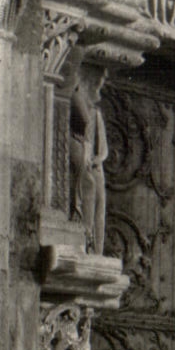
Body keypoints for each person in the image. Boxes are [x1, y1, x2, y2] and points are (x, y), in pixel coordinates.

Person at [69, 65, 108, 254]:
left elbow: (102, 148)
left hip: (93, 163)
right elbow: (83, 123)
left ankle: (93, 247)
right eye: (96, 85)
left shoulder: (95, 113)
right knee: (88, 188)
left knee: (97, 200)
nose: (98, 93)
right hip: (81, 155)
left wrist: (97, 159)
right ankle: (85, 239)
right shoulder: (77, 100)